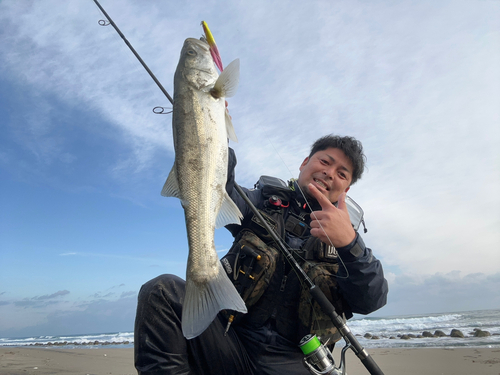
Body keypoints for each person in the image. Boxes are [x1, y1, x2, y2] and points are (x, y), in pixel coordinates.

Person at [134, 135, 388, 375]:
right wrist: (214, 130)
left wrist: (350, 244)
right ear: (304, 164)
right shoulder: (260, 202)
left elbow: (371, 299)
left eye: (342, 174)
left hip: (294, 362)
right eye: (325, 161)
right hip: (229, 342)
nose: (329, 173)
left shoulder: (348, 240)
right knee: (162, 291)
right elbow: (216, 186)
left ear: (346, 189)